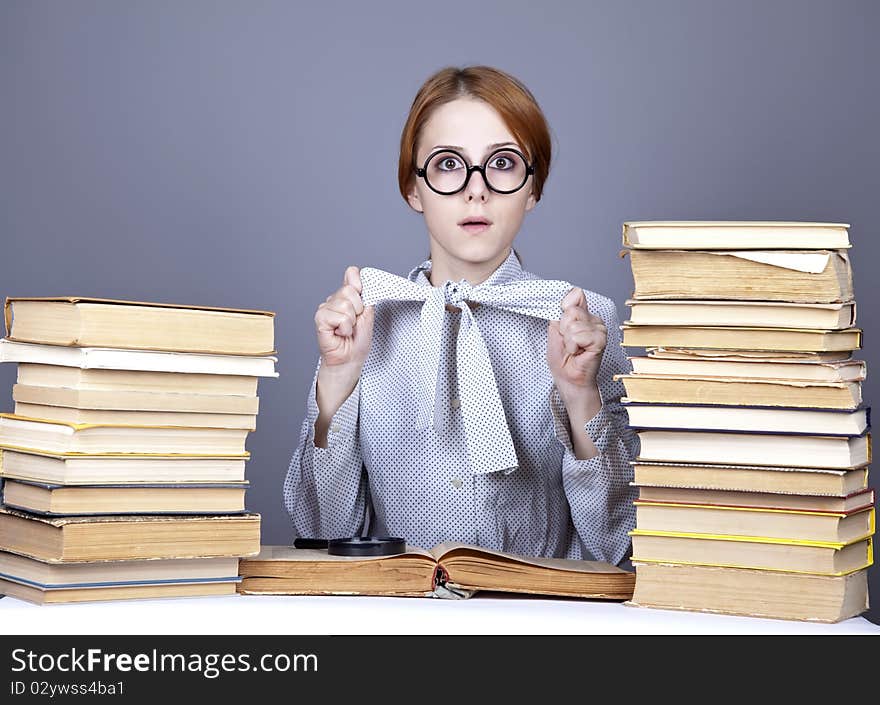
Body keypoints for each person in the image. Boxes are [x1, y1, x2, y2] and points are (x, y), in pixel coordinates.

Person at [283, 65, 638, 565]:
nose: (477, 190)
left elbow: (618, 547)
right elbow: (323, 534)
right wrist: (336, 383)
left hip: (539, 621)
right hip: (397, 618)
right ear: (413, 187)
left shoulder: (584, 325)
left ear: (533, 188)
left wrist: (581, 398)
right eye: (449, 164)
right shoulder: (365, 321)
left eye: (503, 163)